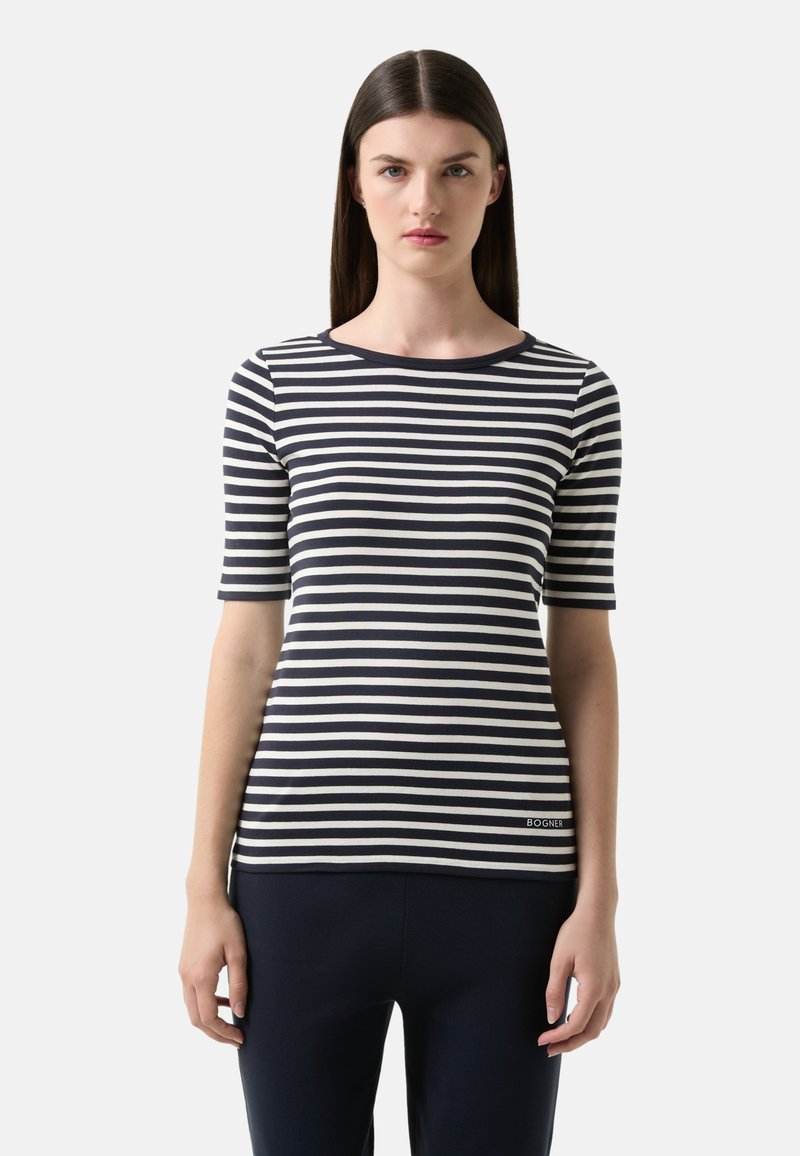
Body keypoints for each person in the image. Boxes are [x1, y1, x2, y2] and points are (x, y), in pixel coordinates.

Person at [179, 47, 622, 1156]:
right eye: (394, 170)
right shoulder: (276, 385)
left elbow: (580, 656)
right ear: (355, 185)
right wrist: (202, 887)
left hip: (508, 885)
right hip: (300, 877)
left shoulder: (572, 395)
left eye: (455, 169)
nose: (425, 200)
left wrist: (598, 897)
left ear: (495, 183)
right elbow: (247, 642)